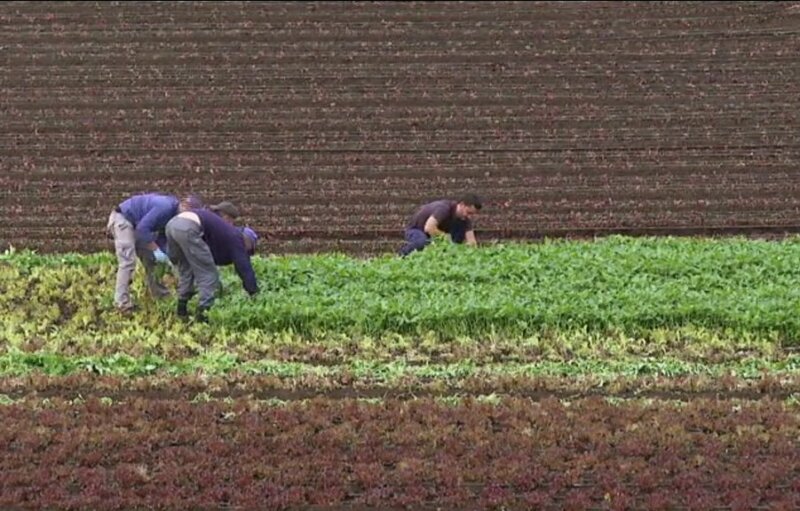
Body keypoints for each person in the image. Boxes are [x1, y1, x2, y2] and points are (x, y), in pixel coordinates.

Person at [106, 193, 203, 313]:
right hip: (123, 219)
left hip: (137, 226)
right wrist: (156, 250)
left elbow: (161, 238)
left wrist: (167, 255)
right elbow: (142, 229)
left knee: (151, 261)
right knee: (128, 262)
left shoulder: (173, 217)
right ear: (183, 205)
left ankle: (161, 296)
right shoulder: (165, 207)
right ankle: (122, 304)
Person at [165, 206, 259, 322]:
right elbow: (244, 267)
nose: (247, 251)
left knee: (187, 270)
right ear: (248, 239)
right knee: (209, 276)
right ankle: (202, 317)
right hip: (189, 227)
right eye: (250, 246)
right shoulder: (237, 237)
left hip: (172, 225)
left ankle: (181, 311)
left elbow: (211, 256)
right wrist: (253, 292)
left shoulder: (224, 233)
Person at [398, 193, 482, 257]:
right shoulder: (443, 208)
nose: (469, 216)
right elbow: (429, 228)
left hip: (437, 233)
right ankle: (401, 255)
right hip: (417, 229)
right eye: (468, 212)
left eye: (472, 214)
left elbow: (472, 242)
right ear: (462, 205)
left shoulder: (465, 219)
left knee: (458, 236)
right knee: (421, 242)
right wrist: (445, 237)